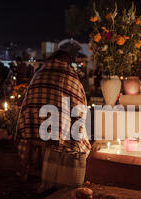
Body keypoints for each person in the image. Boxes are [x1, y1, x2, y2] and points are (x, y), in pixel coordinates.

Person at [16, 50, 91, 186]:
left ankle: (25, 172)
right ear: (67, 62)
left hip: (32, 125)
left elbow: (27, 102)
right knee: (69, 129)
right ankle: (51, 176)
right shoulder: (70, 76)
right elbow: (79, 105)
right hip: (57, 128)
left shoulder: (39, 73)